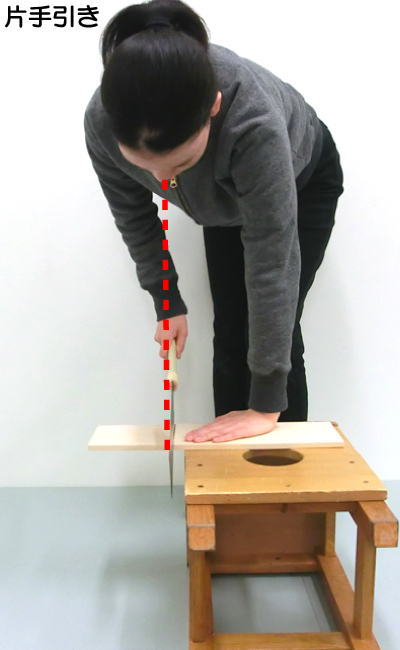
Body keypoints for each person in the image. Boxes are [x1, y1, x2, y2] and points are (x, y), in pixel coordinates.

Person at [84, 0, 344, 444]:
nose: (162, 181)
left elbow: (272, 264)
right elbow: (134, 216)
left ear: (213, 108)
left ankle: (282, 465)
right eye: (145, 169)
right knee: (230, 330)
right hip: (224, 200)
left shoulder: (252, 120)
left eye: (179, 164)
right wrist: (166, 299)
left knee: (273, 329)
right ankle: (225, 460)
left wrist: (265, 407)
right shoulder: (102, 121)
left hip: (301, 182)